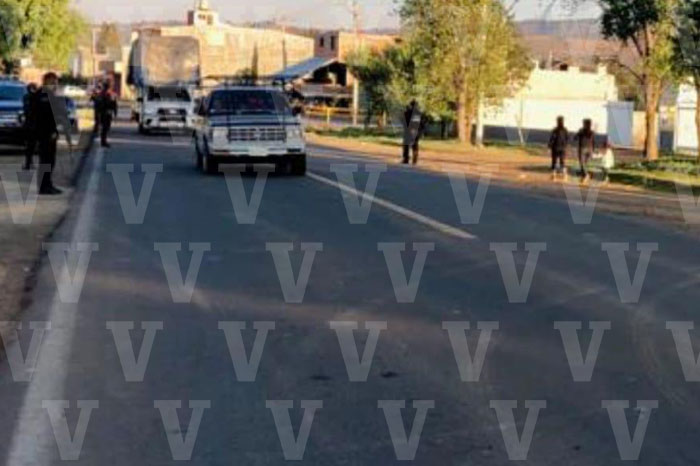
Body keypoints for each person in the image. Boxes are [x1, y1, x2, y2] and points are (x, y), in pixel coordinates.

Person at [33, 72, 71, 195]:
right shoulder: (43, 95)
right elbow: (45, 117)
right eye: (54, 82)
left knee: (50, 160)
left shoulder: (47, 94)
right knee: (46, 160)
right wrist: (51, 131)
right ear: (48, 81)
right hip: (45, 133)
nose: (56, 84)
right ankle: (44, 187)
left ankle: (47, 184)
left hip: (48, 132)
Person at [402, 100, 425, 165]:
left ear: (411, 105)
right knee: (415, 145)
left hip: (408, 131)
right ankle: (415, 159)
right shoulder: (419, 113)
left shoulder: (407, 112)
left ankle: (406, 159)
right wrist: (421, 131)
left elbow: (404, 121)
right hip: (416, 131)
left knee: (406, 145)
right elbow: (422, 123)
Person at [95, 80, 118, 147]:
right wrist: (114, 111)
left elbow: (113, 104)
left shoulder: (102, 94)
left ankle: (103, 141)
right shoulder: (105, 95)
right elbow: (112, 104)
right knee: (105, 128)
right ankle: (103, 142)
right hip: (105, 113)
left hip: (103, 113)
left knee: (105, 128)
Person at [22, 83, 39, 170]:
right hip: (31, 124)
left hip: (32, 124)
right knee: (30, 145)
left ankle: (29, 163)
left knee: (30, 146)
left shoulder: (29, 97)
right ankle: (29, 163)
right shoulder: (29, 98)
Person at [548, 116, 569, 180]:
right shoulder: (561, 130)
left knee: (558, 161)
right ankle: (558, 173)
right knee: (559, 161)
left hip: (558, 148)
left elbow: (552, 139)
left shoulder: (559, 130)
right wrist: (550, 145)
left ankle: (559, 173)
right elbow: (567, 138)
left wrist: (549, 146)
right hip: (559, 148)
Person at [575, 118, 596, 183]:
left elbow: (575, 138)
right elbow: (593, 142)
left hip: (583, 149)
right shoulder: (591, 132)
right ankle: (584, 176)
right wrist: (593, 150)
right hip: (589, 149)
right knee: (585, 164)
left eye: (584, 123)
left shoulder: (582, 131)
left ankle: (586, 175)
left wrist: (579, 133)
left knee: (582, 163)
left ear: (584, 124)